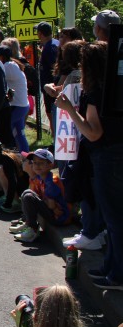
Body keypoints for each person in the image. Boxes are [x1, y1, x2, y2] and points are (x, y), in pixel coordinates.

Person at [55, 42, 123, 289]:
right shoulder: (115, 88)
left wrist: (70, 110)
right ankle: (110, 266)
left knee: (114, 218)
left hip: (106, 156)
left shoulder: (96, 91)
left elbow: (93, 132)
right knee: (114, 217)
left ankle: (117, 274)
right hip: (115, 153)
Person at [9, 149, 72, 243]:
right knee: (27, 193)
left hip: (59, 217)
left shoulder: (52, 181)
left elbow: (51, 205)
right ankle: (28, 224)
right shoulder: (39, 178)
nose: (37, 165)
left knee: (28, 196)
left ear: (50, 165)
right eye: (34, 162)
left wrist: (42, 202)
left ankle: (32, 230)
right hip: (52, 212)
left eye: (41, 163)